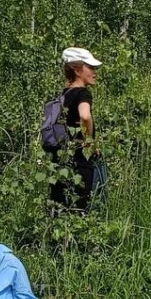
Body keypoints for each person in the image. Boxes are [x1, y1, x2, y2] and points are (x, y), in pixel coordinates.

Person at [46, 47, 103, 212]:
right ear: (78, 70)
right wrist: (89, 141)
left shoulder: (62, 96)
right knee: (80, 211)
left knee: (59, 211)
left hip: (59, 164)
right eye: (90, 67)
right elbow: (85, 116)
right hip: (80, 164)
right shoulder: (83, 94)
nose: (95, 72)